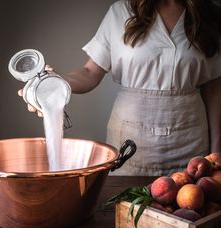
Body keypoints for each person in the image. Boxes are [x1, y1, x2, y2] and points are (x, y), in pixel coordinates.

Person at [19, 0, 221, 176]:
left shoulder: (211, 16)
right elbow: (90, 72)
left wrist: (217, 151)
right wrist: (54, 83)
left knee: (190, 211)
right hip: (130, 144)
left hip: (191, 144)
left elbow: (214, 89)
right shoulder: (120, 12)